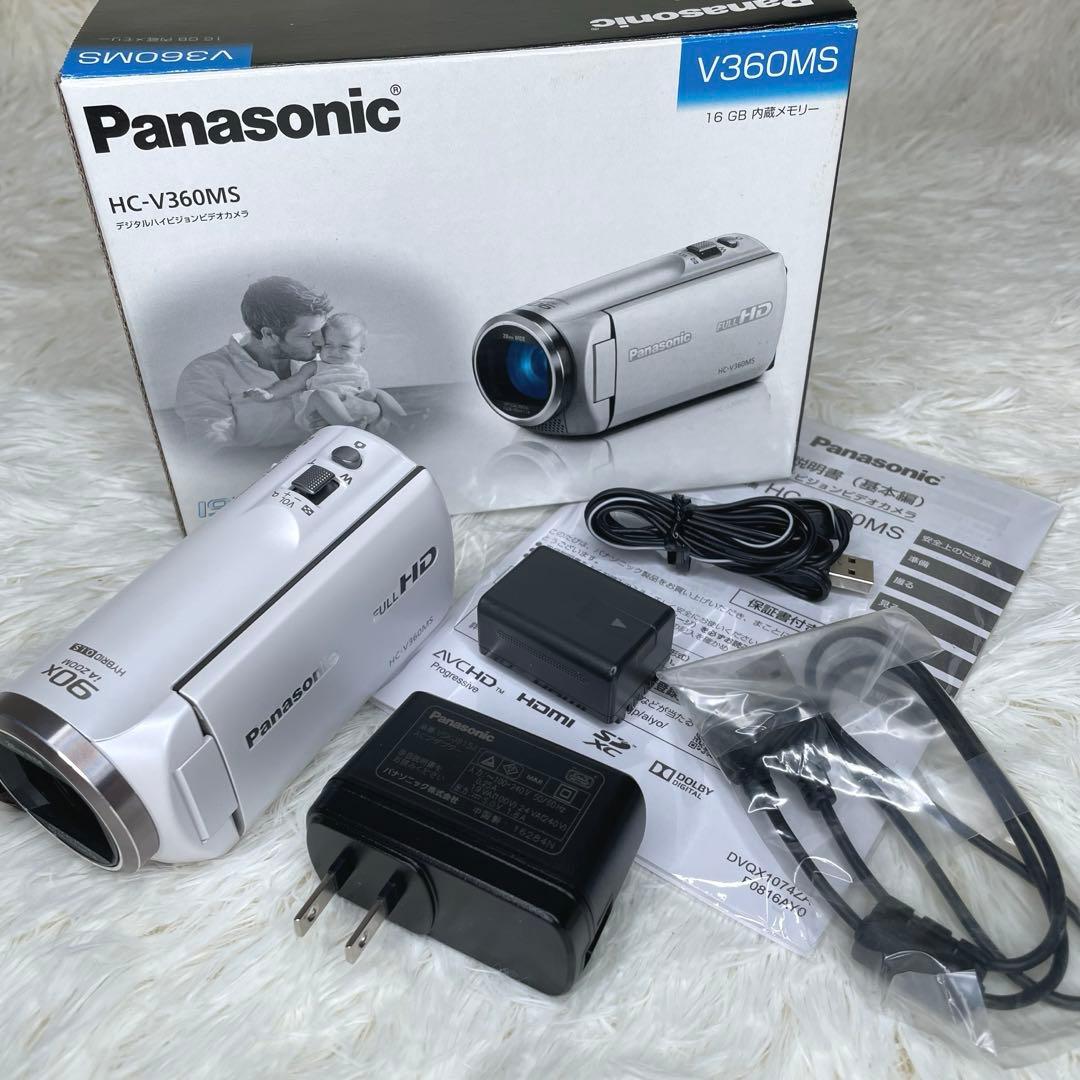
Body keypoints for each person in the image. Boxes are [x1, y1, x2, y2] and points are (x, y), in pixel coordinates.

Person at [174, 276, 332, 448]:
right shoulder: (206, 373)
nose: (321, 342)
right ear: (269, 334)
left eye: (321, 330)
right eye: (308, 334)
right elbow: (213, 453)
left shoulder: (325, 360)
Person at [241, 313, 406, 432]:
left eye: (344, 347)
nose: (334, 351)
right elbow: (291, 383)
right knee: (321, 394)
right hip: (315, 411)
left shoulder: (360, 371)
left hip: (352, 407)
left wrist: (371, 408)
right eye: (328, 345)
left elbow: (364, 396)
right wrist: (269, 394)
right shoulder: (315, 366)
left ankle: (402, 420)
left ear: (361, 350)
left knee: (377, 393)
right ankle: (347, 425)